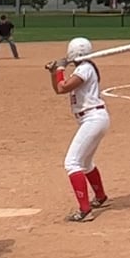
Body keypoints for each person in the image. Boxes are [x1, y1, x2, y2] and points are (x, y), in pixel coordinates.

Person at [47, 37, 112, 222]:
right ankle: (100, 197)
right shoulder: (84, 68)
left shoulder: (85, 68)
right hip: (93, 118)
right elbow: (59, 89)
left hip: (93, 118)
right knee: (86, 163)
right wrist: (54, 72)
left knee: (72, 163)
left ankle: (85, 210)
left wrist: (61, 69)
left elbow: (64, 87)